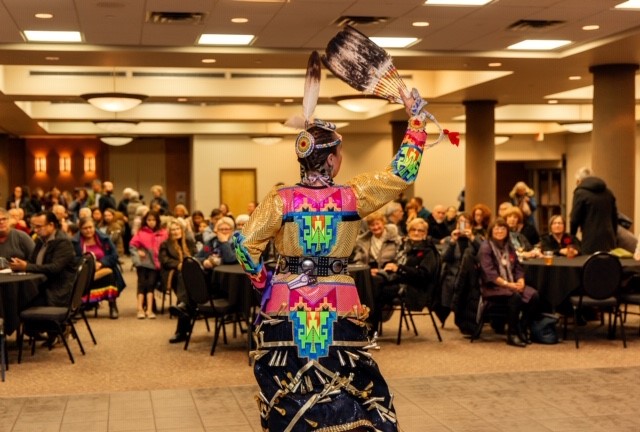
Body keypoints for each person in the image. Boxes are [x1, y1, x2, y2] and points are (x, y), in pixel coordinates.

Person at [233, 61, 437, 431]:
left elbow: (245, 247)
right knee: (350, 389)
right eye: (339, 153)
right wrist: (416, 124)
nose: (340, 160)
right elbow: (401, 174)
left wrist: (265, 284)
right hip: (338, 305)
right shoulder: (352, 196)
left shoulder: (281, 199)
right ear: (330, 158)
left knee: (290, 391)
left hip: (286, 306)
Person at [478, 218, 541, 347]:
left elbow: (517, 266)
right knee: (515, 297)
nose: (500, 231)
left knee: (534, 295)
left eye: (503, 228)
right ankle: (511, 334)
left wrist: (521, 281)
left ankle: (521, 328)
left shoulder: (509, 246)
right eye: (496, 228)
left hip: (511, 282)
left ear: (507, 231)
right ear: (491, 231)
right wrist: (508, 285)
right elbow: (489, 273)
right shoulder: (486, 247)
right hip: (493, 287)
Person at [370, 218, 440, 332]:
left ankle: (370, 329)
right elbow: (397, 264)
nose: (416, 233)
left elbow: (423, 275)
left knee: (374, 289)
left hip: (414, 288)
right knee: (372, 281)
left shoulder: (428, 251)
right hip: (399, 280)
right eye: (413, 229)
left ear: (425, 233)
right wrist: (381, 270)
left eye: (420, 230)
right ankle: (370, 327)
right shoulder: (405, 246)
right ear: (408, 231)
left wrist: (399, 268)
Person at [9, 211, 77, 308]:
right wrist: (19, 264)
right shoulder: (41, 240)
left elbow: (55, 268)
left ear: (51, 225)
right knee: (13, 296)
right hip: (41, 285)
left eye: (39, 227)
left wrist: (26, 266)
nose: (35, 230)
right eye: (33, 227)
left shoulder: (63, 242)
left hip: (56, 291)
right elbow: (32, 261)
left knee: (19, 301)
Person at [71, 217, 126, 319]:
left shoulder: (104, 239)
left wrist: (101, 263)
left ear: (94, 227)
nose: (88, 230)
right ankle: (79, 306)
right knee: (80, 278)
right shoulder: (75, 242)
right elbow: (73, 259)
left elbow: (114, 255)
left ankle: (112, 305)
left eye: (90, 227)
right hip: (85, 271)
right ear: (80, 229)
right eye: (85, 228)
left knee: (110, 274)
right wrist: (89, 264)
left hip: (103, 269)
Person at [161, 220, 197, 343]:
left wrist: (189, 265)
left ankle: (183, 308)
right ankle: (181, 328)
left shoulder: (189, 242)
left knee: (187, 299)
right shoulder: (165, 244)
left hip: (192, 273)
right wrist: (179, 265)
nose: (175, 232)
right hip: (174, 274)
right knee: (183, 278)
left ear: (182, 230)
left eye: (177, 229)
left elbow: (197, 255)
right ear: (169, 232)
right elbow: (165, 261)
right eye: (173, 230)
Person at [570, 167, 617, 254]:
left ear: (579, 181)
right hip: (609, 238)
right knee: (608, 264)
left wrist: (572, 239)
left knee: (590, 264)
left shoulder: (580, 193)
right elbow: (614, 217)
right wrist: (614, 236)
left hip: (590, 238)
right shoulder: (608, 192)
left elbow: (575, 218)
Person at [129, 211, 168, 319]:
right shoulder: (141, 233)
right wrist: (137, 257)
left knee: (151, 284)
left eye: (154, 220)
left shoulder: (163, 233)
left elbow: (167, 247)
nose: (151, 222)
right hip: (142, 263)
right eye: (149, 220)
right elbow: (132, 246)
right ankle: (140, 309)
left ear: (157, 221)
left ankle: (149, 309)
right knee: (142, 285)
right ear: (145, 221)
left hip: (156, 264)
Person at [352, 211, 401, 278]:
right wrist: (366, 271)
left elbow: (400, 258)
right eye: (372, 225)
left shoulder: (395, 239)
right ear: (369, 227)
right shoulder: (363, 241)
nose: (375, 227)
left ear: (383, 223)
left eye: (377, 224)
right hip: (370, 274)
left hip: (390, 275)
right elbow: (359, 260)